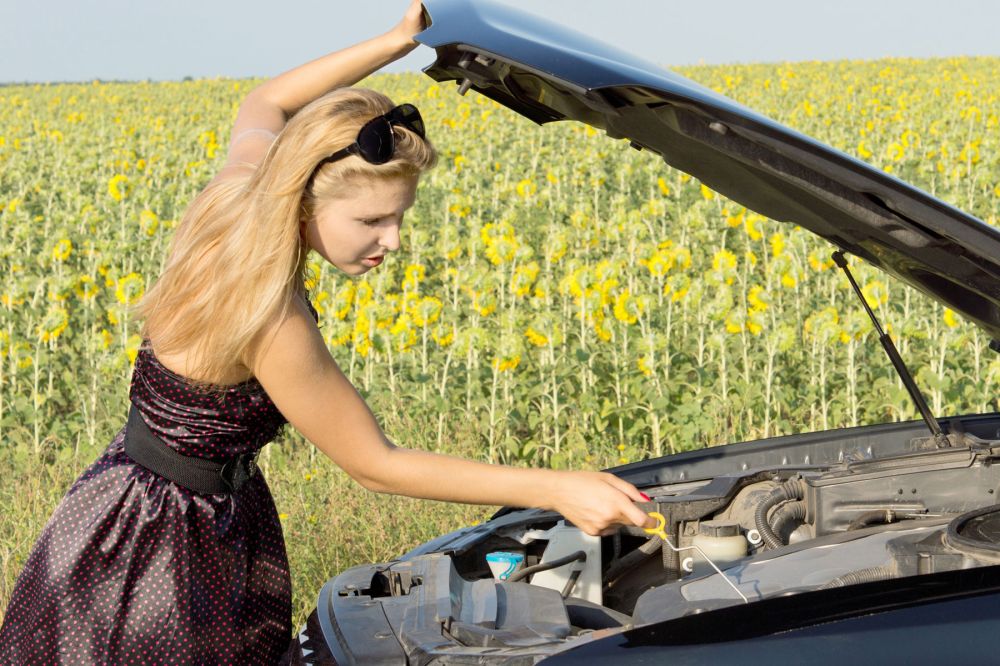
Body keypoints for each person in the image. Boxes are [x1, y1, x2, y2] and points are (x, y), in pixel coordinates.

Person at [0, 2, 654, 663]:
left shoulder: (237, 196)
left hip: (126, 504)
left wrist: (396, 42)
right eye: (371, 220)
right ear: (306, 197)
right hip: (165, 548)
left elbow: (267, 101)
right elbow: (377, 465)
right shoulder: (264, 311)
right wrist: (557, 486)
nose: (391, 240)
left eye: (398, 218)